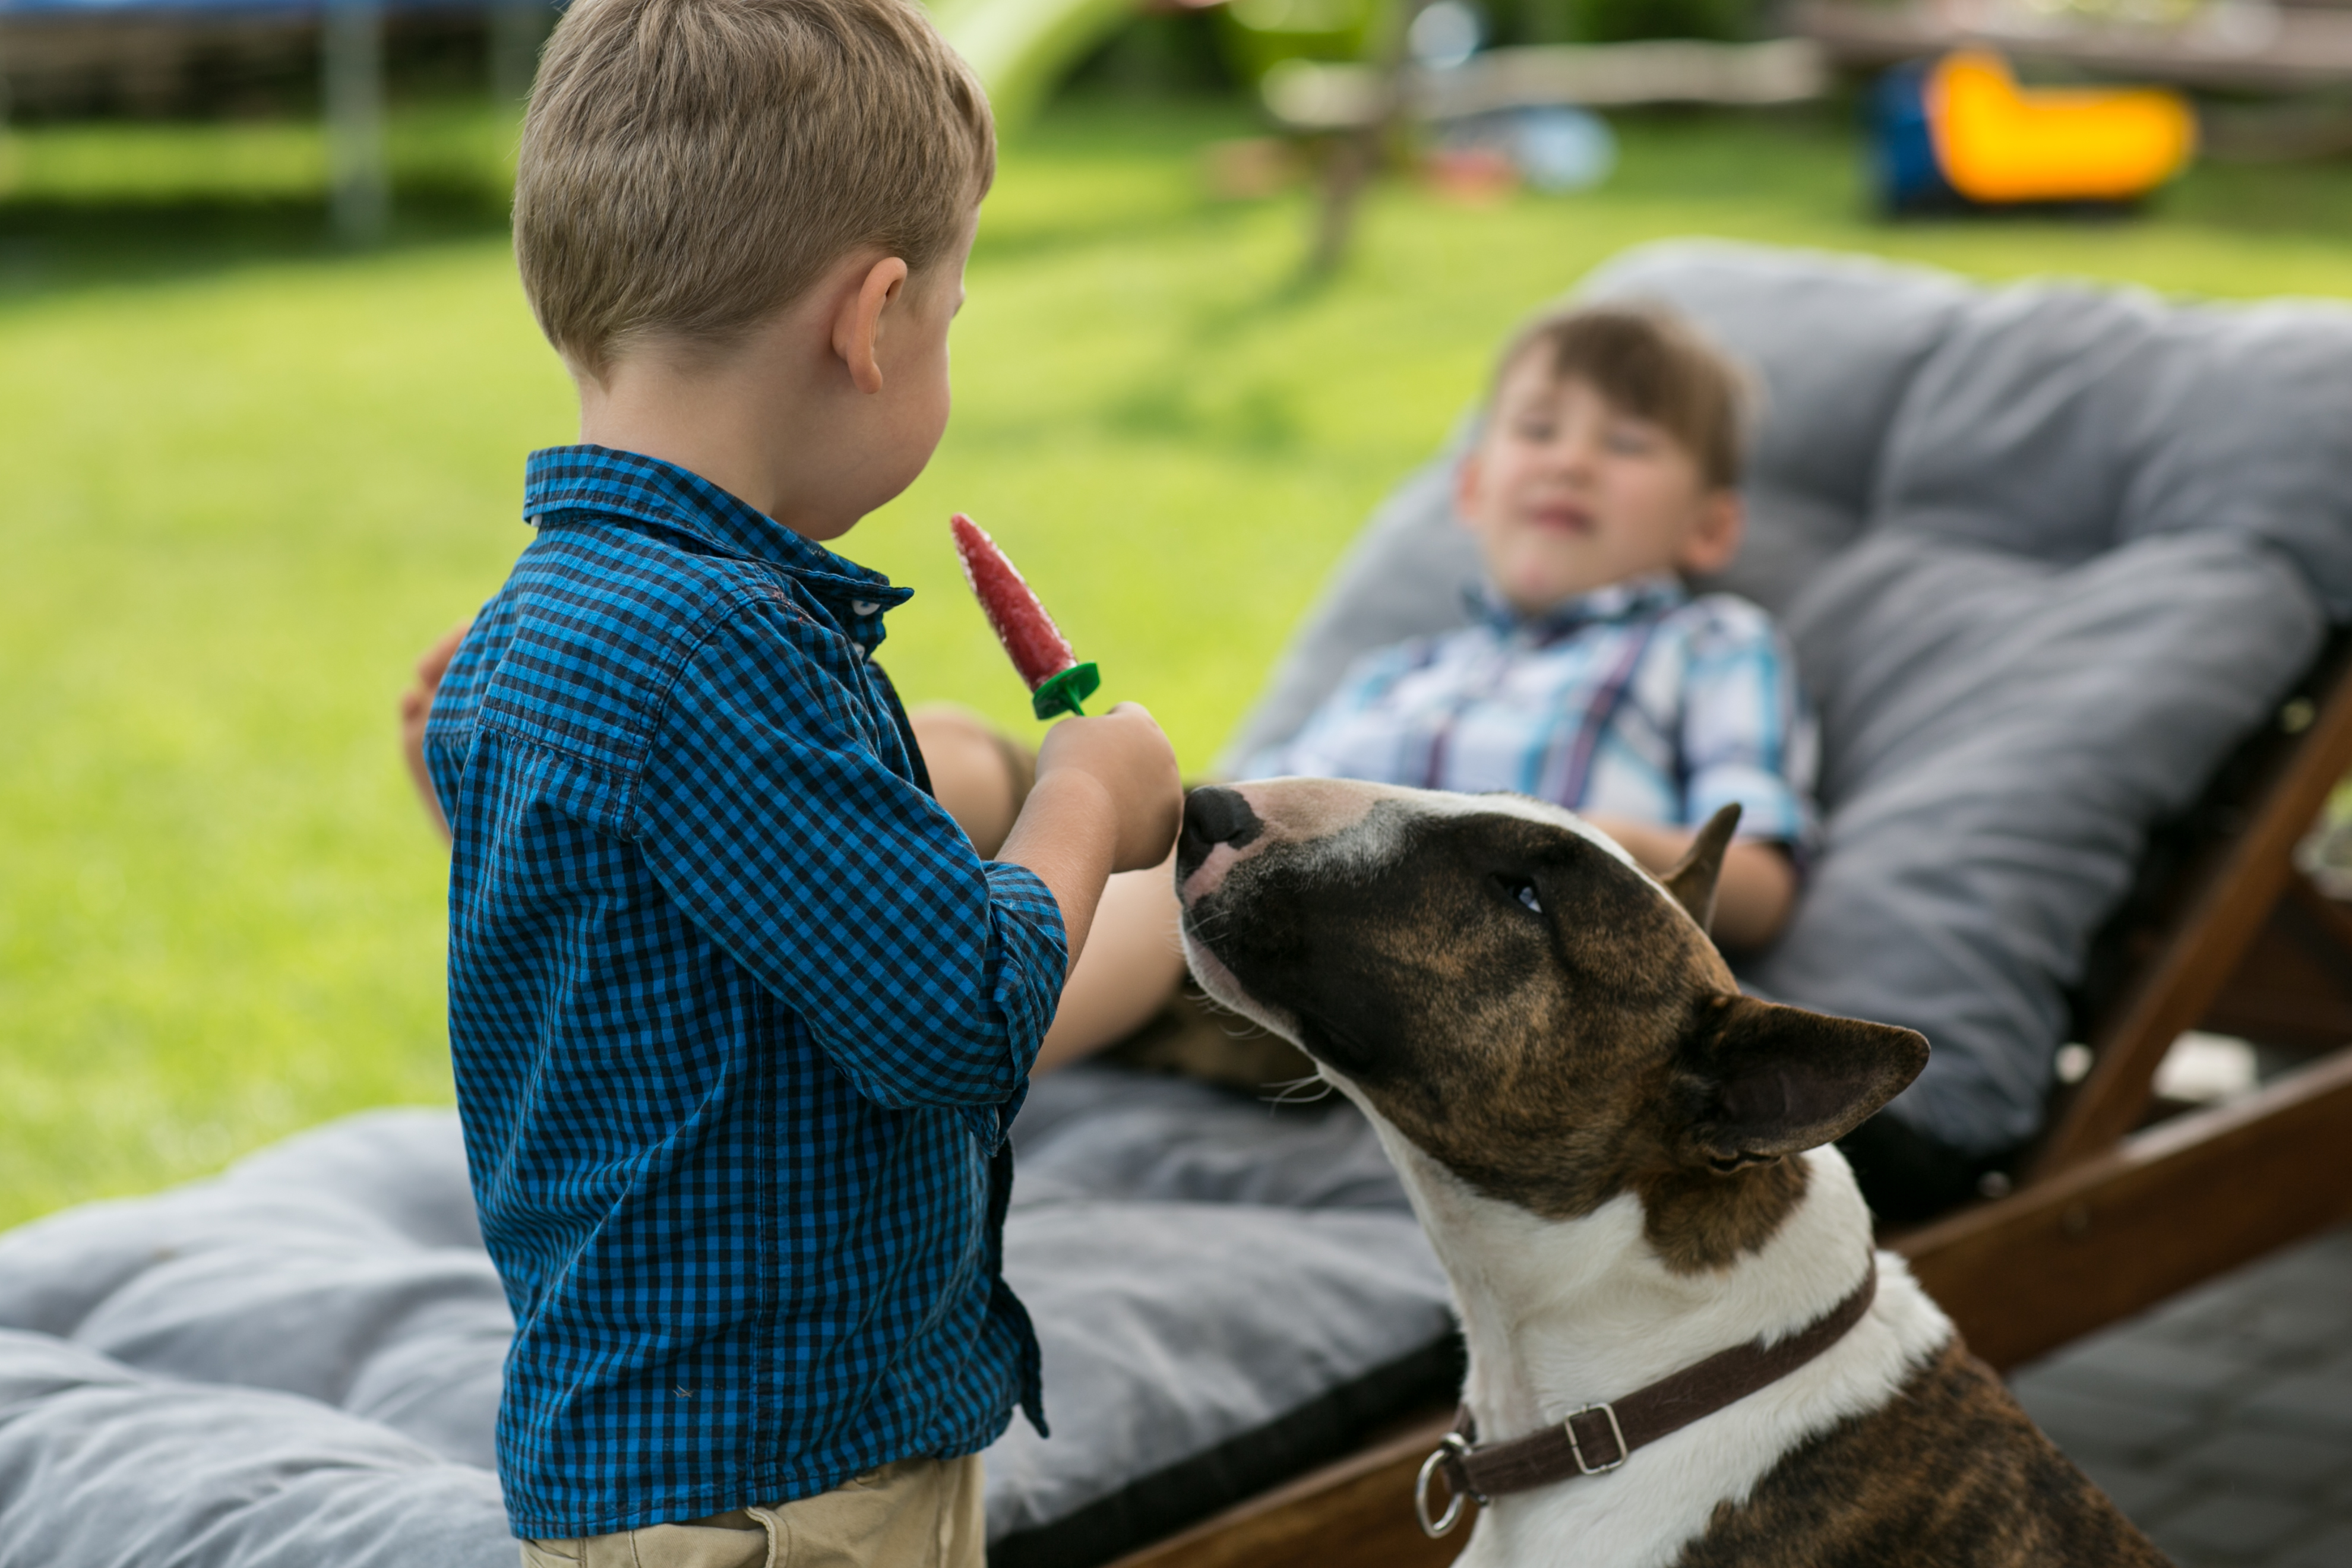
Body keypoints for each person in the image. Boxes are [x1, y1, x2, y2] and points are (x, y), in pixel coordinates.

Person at [409, 0, 1184, 1561]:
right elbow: (960, 1019)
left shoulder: (531, 626)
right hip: (785, 1483)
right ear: (875, 317)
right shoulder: (717, 646)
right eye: (951, 317)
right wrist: (1086, 800)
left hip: (652, 1461)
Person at [944, 302, 1820, 1067]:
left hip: (1389, 970)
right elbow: (1249, 800)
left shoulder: (1709, 645)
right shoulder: (1407, 670)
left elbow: (1758, 884)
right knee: (956, 754)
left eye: (1626, 443)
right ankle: (829, 998)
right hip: (1249, 882)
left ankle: (945, 1084)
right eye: (1538, 431)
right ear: (1473, 489)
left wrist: (1573, 838)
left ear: (1710, 528)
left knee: (1146, 891)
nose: (1572, 463)